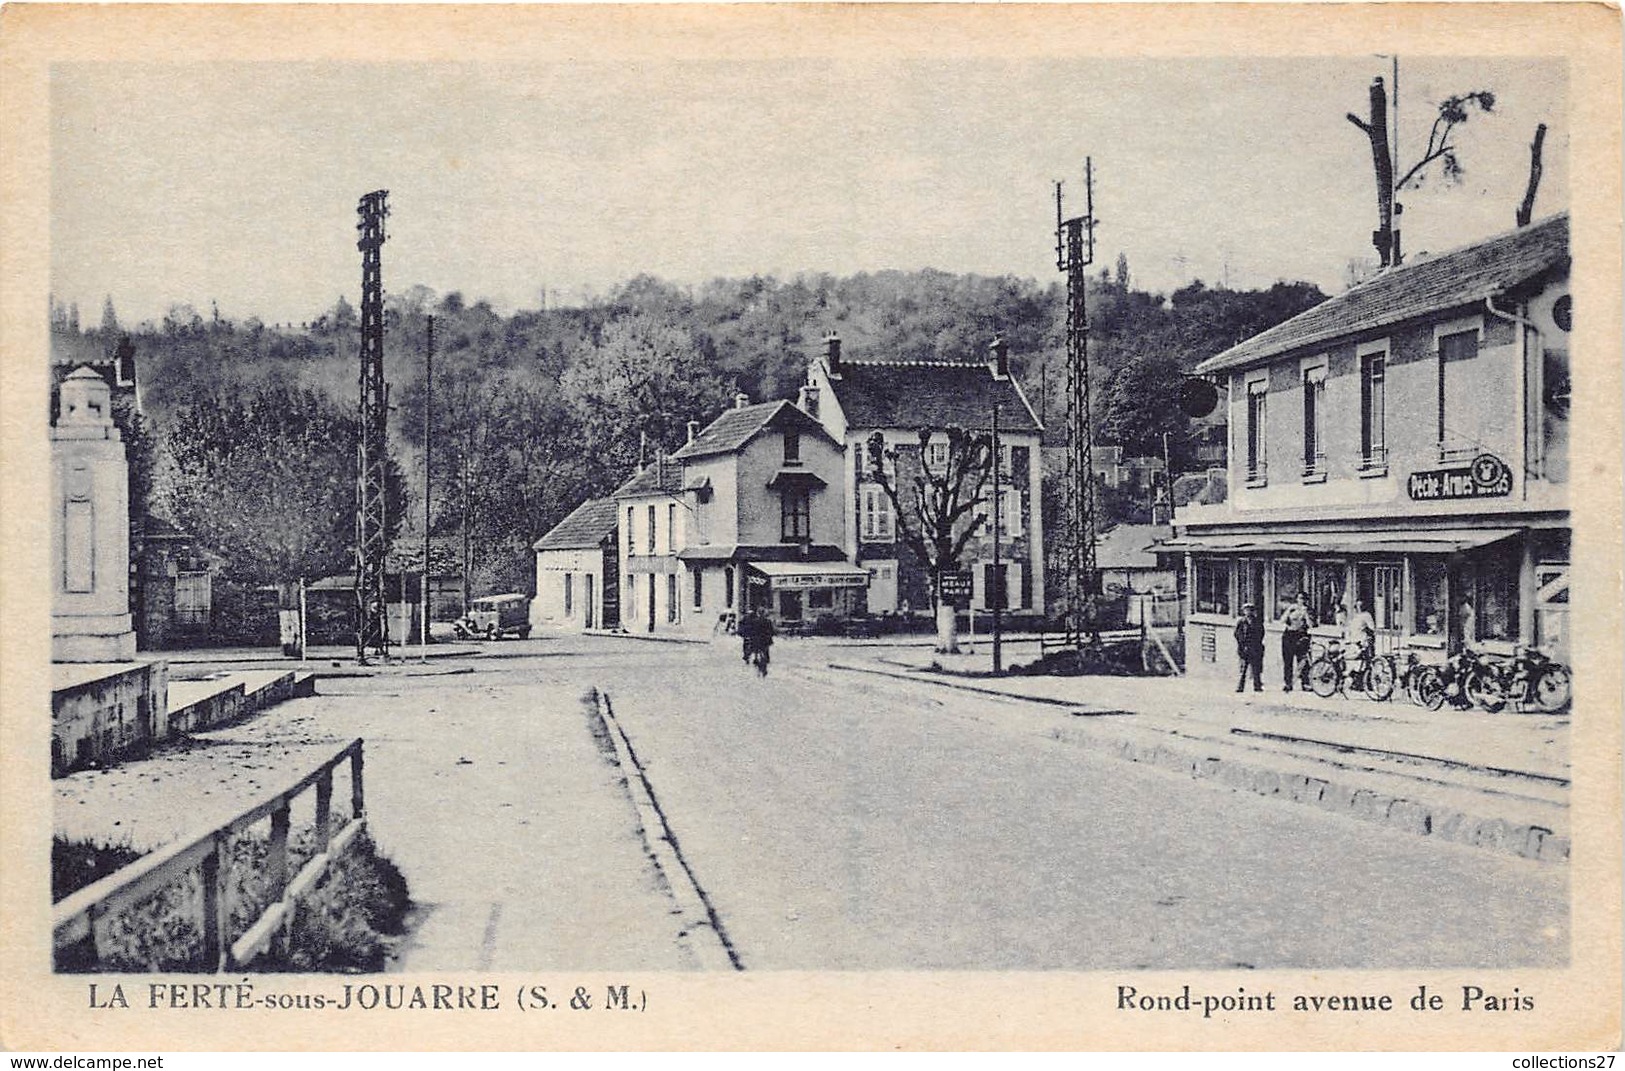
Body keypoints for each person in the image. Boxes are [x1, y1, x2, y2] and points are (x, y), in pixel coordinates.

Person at [1278, 591, 1312, 692]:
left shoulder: (1309, 610)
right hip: (1289, 635)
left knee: (1303, 661)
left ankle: (1305, 683)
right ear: (1296, 599)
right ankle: (1288, 683)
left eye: (1304, 599)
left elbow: (1311, 625)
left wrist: (1306, 614)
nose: (1301, 601)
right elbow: (1282, 620)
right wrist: (1289, 610)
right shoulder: (1292, 609)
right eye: (1300, 598)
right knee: (1288, 660)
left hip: (1301, 635)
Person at [1344, 598, 1377, 686]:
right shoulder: (1355, 616)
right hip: (1353, 642)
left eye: (1361, 606)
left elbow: (1372, 628)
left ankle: (1364, 682)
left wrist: (1367, 635)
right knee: (1354, 662)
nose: (1359, 608)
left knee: (1363, 663)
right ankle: (1355, 681)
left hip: (1362, 641)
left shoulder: (1366, 615)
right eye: (1357, 606)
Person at [1234, 603, 1265, 693]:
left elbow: (1261, 633)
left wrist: (1256, 643)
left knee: (1256, 668)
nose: (1248, 612)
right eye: (1246, 610)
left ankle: (1257, 686)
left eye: (1250, 610)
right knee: (1243, 668)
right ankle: (1240, 686)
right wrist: (1242, 644)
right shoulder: (1241, 622)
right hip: (1244, 648)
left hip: (1255, 648)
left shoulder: (1257, 622)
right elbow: (1237, 634)